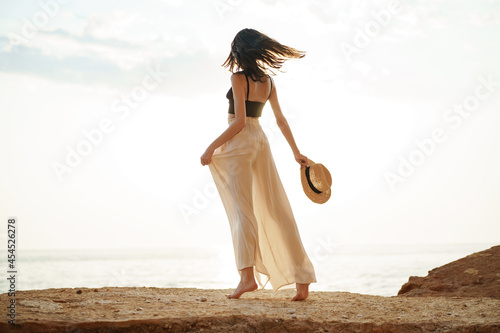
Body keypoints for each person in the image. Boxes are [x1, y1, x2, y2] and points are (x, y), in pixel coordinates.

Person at [200, 28, 316, 301]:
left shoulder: (238, 78)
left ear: (239, 51)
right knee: (276, 206)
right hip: (261, 141)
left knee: (243, 211)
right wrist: (296, 152)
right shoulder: (269, 82)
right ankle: (303, 279)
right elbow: (281, 120)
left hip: (240, 142)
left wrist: (210, 147)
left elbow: (239, 122)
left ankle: (247, 279)